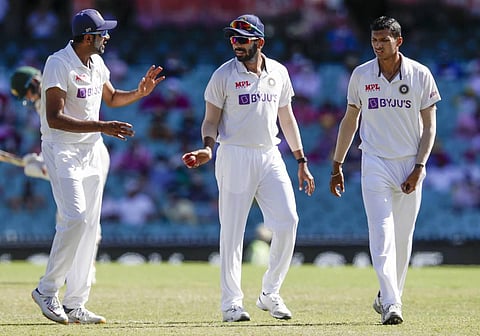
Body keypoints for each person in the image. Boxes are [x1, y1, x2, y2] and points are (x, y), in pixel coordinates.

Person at [30, 8, 165, 325]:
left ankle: (76, 304)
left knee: (90, 227)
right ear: (88, 37)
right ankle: (47, 291)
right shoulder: (58, 63)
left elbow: (113, 97)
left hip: (92, 152)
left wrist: (140, 93)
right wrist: (101, 126)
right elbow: (54, 118)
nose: (107, 37)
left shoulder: (97, 63)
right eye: (103, 33)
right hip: (62, 150)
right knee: (75, 218)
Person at [181, 14, 315, 322]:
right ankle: (231, 304)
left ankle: (270, 293)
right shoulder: (223, 75)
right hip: (234, 154)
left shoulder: (279, 72)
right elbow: (211, 119)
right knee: (232, 232)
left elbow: (287, 118)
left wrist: (301, 160)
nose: (236, 44)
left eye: (242, 39)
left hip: (270, 155)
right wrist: (207, 147)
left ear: (259, 42)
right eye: (233, 39)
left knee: (288, 221)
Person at [329, 16, 440, 325]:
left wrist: (419, 166)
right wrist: (337, 163)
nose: (378, 46)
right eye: (374, 40)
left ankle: (388, 295)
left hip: (409, 162)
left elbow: (429, 127)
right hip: (375, 161)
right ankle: (392, 304)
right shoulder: (361, 75)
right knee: (382, 235)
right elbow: (350, 120)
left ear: (398, 41)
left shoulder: (420, 74)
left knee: (403, 240)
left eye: (384, 41)